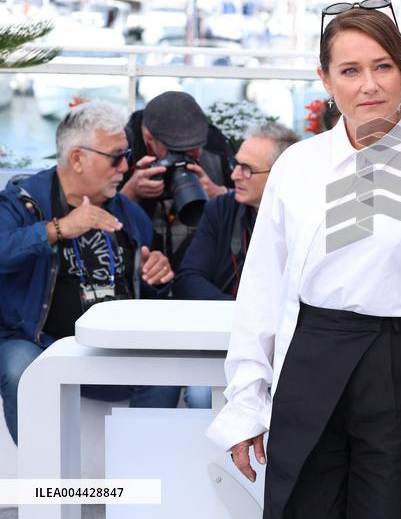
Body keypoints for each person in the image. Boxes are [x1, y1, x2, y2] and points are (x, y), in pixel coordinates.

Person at [206, 5, 401, 518]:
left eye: (383, 66)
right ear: (325, 79)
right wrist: (246, 401)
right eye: (349, 71)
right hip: (310, 361)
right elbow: (262, 290)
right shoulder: (296, 166)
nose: (369, 85)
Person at [0, 101, 181, 444]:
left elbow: (148, 294)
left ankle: (133, 484)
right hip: (35, 342)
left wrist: (157, 278)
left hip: (111, 348)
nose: (125, 167)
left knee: (164, 373)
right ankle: (46, 489)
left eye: (127, 154)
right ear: (78, 158)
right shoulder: (23, 202)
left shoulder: (129, 215)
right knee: (19, 369)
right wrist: (58, 228)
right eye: (116, 157)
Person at [174, 122, 298, 410]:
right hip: (225, 340)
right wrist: (241, 312)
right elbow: (188, 278)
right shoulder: (222, 208)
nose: (233, 175)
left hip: (285, 349)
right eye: (235, 164)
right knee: (202, 395)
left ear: (282, 175)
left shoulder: (306, 219)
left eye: (247, 168)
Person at [120, 91, 236, 268]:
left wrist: (220, 194)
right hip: (140, 264)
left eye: (196, 147)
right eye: (177, 150)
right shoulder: (122, 150)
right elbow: (95, 218)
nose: (190, 155)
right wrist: (129, 194)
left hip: (198, 263)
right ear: (149, 138)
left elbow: (254, 203)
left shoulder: (215, 145)